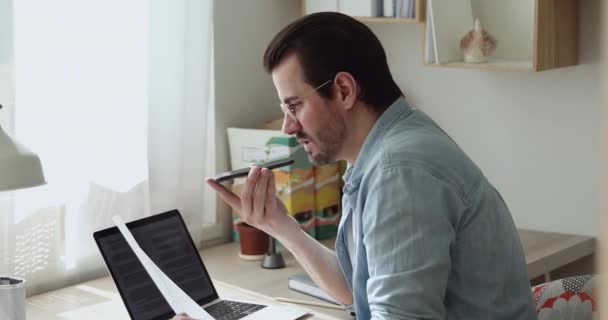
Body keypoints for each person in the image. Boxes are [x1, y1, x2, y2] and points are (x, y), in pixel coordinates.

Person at [174, 12, 536, 320]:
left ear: (344, 90)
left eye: (294, 106)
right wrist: (281, 227)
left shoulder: (400, 171)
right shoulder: (390, 147)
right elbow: (356, 289)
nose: (288, 126)